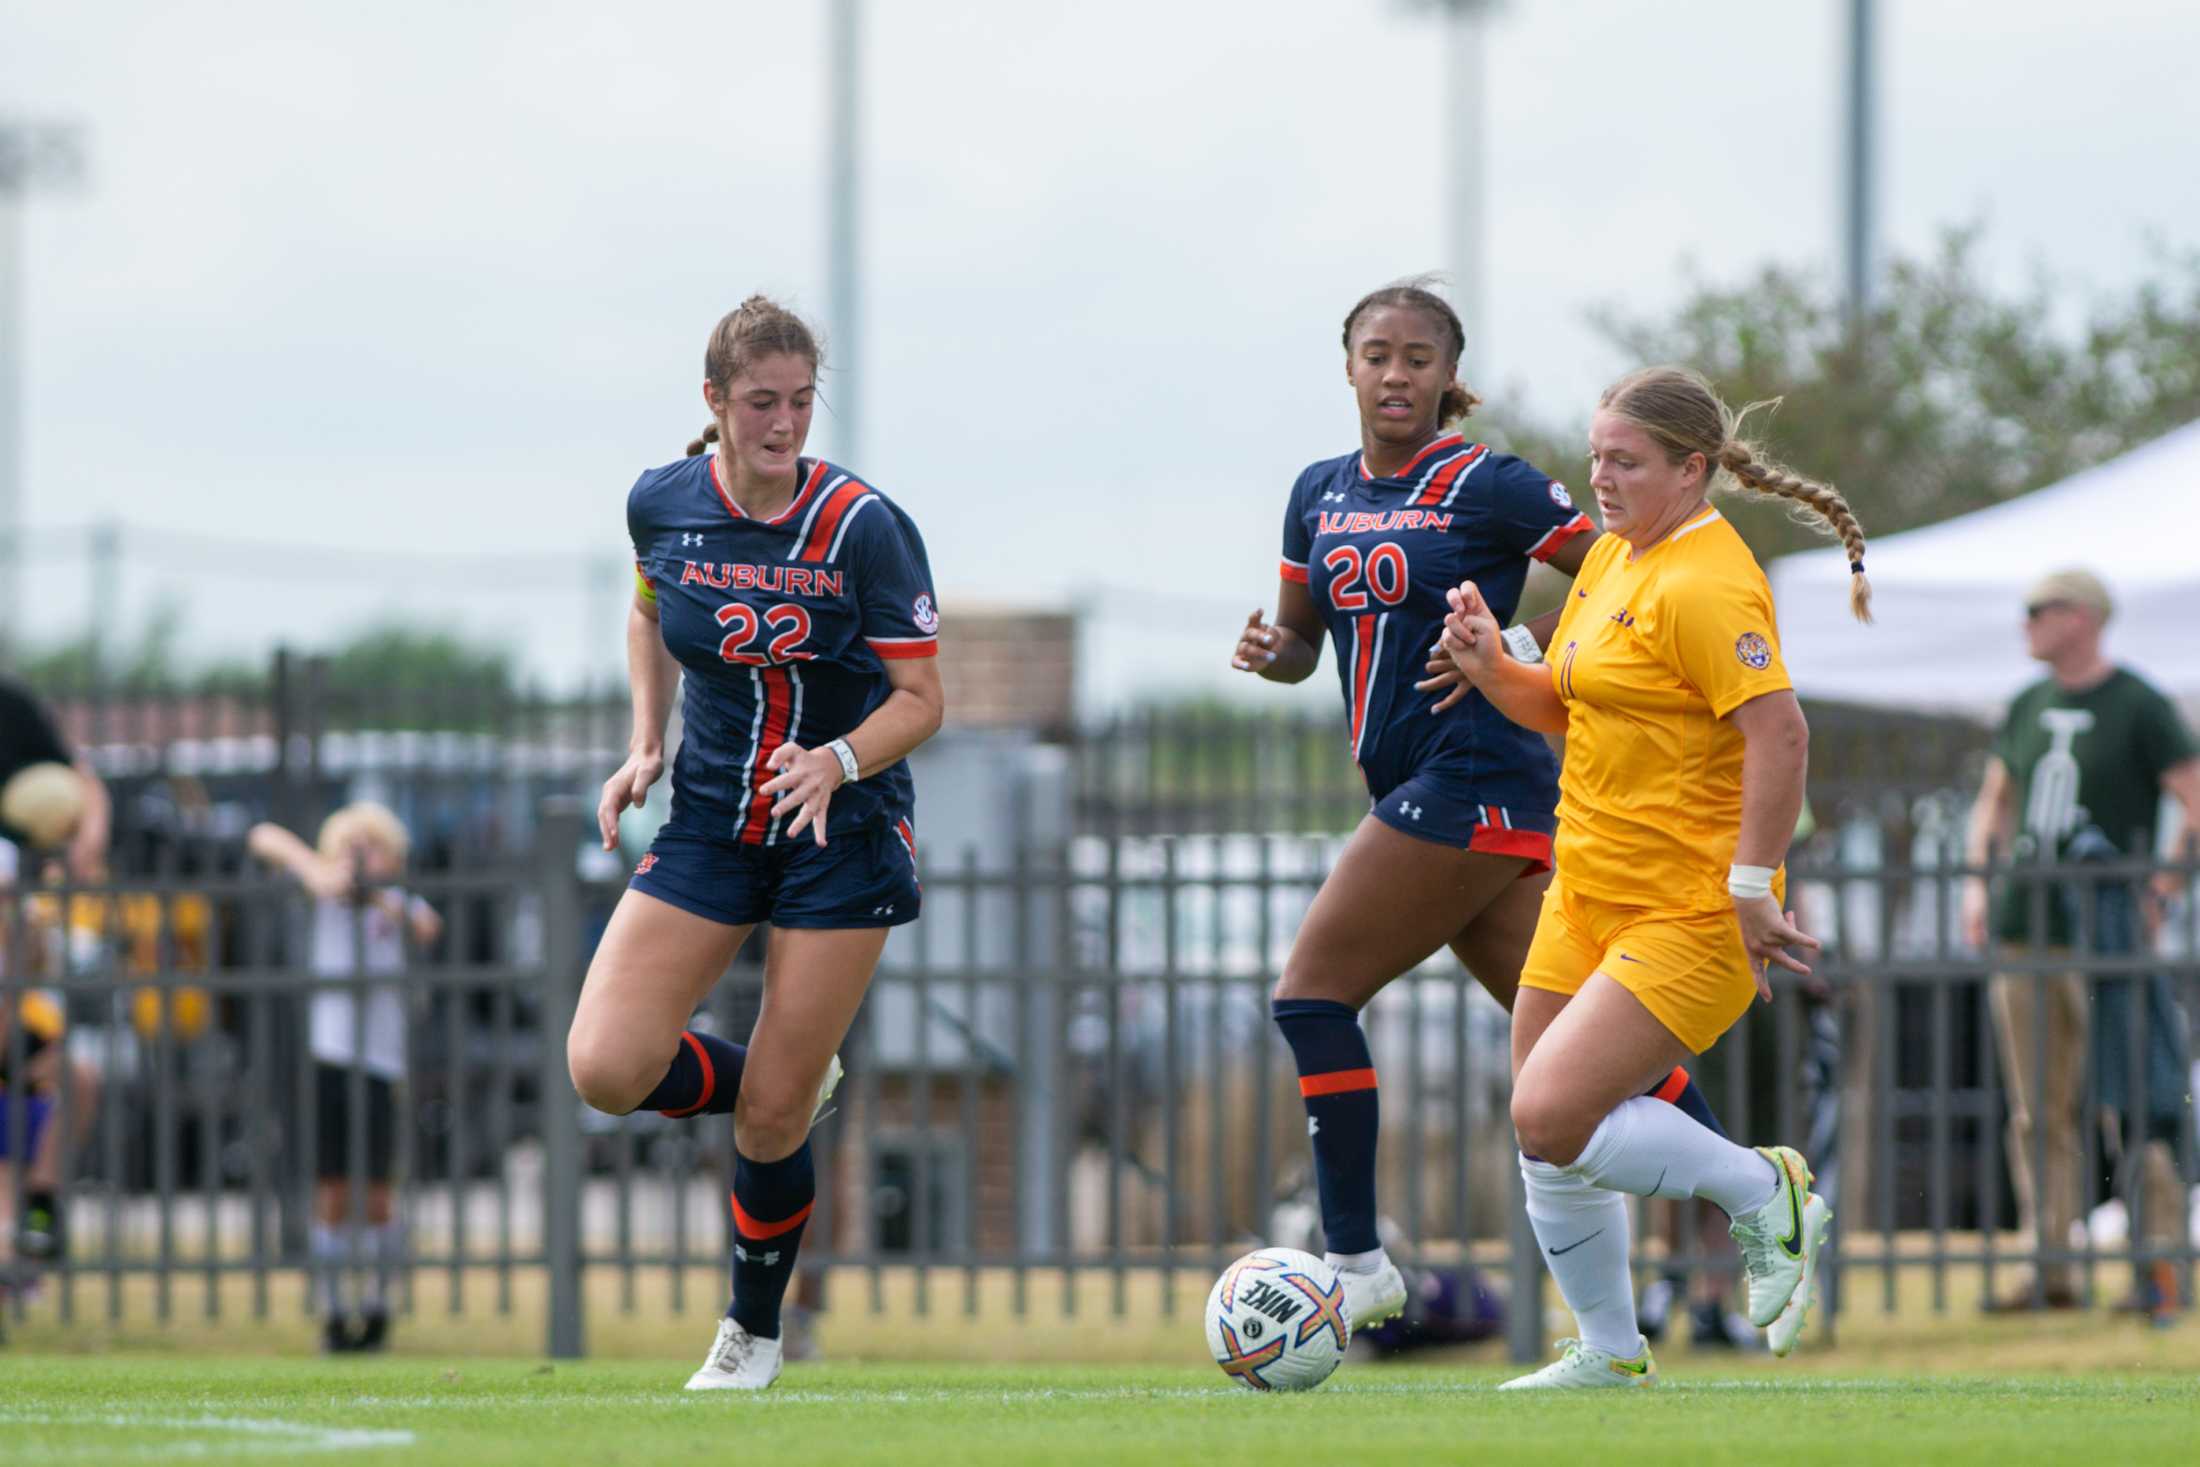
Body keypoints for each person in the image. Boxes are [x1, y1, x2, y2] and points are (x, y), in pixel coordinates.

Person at [1230, 279, 1732, 1332]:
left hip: (1470, 782)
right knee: (1575, 1052)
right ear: (1350, 367)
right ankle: (1759, 1198)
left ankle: (1358, 1260)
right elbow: (1300, 646)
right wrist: (1270, 654)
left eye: (1419, 356)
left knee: (1310, 995)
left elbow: (1621, 568)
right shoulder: (1317, 491)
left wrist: (1524, 650)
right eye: (1377, 353)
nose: (1396, 372)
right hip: (1426, 795)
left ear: (1448, 376)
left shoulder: (1487, 482)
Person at [1439, 365, 1867, 1386]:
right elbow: (1574, 700)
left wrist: (1753, 887)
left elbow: (1782, 736)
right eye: (1595, 456)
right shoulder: (1614, 561)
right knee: (1543, 1135)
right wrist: (1492, 669)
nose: (1600, 477)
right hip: (1583, 890)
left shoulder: (1709, 582)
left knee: (1551, 1115)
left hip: (1684, 909)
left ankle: (1764, 1191)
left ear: (1693, 470)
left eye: (1624, 461)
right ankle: (1607, 1351)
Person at [565, 295, 944, 1392]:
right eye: (760, 402)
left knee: (771, 1116)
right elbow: (648, 613)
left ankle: (751, 1336)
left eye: (799, 402)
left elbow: (921, 699)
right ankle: (788, 1084)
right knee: (605, 1067)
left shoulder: (862, 525)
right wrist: (644, 738)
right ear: (715, 403)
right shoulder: (662, 503)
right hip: (711, 825)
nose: (783, 423)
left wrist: (837, 760)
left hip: (843, 829)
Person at [1959, 568, 2200, 1319]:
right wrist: (1976, 883)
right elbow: (1996, 799)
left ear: (2083, 617)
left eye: (2041, 610)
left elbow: (2192, 793)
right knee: (2037, 1109)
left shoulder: (2139, 702)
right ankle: (2051, 1266)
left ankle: (2156, 1266)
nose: (2027, 623)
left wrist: (2164, 884)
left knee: (2131, 1100)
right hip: (2025, 929)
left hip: (2105, 934)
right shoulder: (2028, 703)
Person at [248, 804, 442, 1353]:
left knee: (379, 1193)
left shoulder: (397, 903)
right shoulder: (322, 896)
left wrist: (375, 891)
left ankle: (378, 1307)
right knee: (331, 1188)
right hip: (330, 1057)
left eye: (371, 845)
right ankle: (334, 1312)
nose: (359, 857)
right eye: (349, 845)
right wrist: (316, 869)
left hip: (381, 1064)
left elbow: (427, 925)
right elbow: (263, 833)